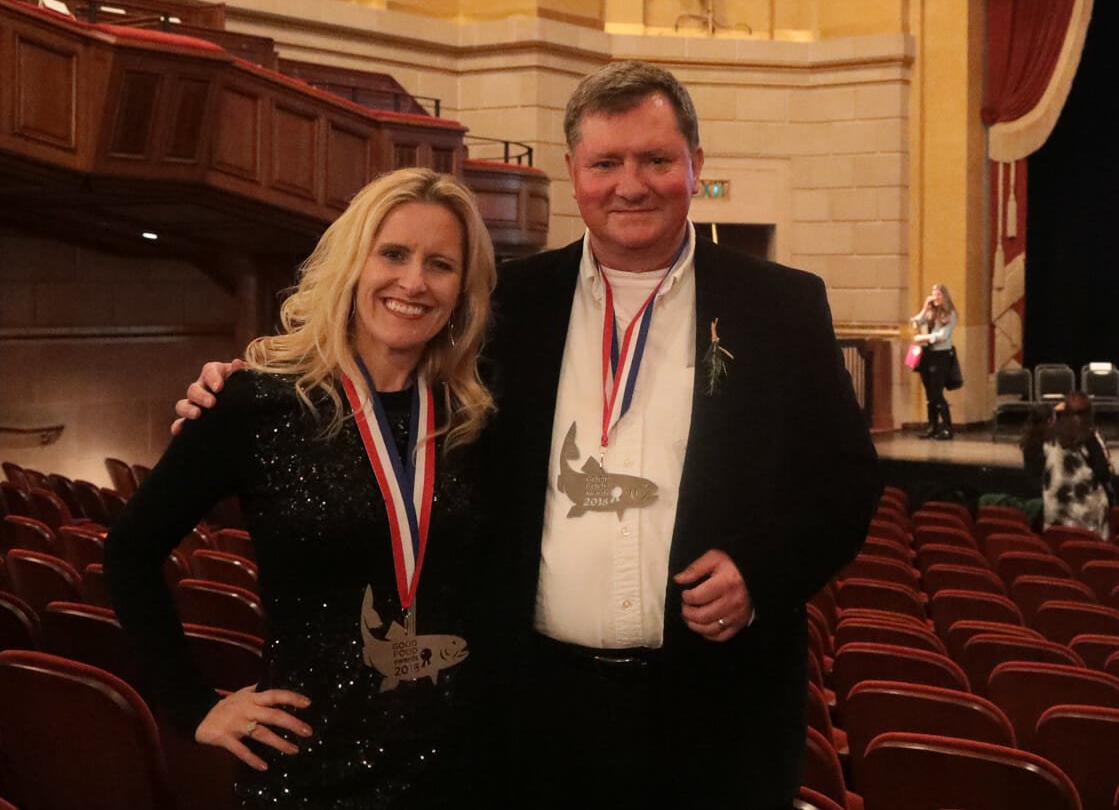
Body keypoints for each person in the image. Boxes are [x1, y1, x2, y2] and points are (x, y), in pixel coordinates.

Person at [177, 61, 879, 808]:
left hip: (717, 707)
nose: (629, 184)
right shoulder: (506, 304)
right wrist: (249, 384)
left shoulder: (781, 305)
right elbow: (381, 373)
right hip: (534, 705)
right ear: (573, 173)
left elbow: (847, 482)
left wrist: (762, 571)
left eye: (655, 160)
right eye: (606, 162)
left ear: (695, 168)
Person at [109, 168, 498, 808]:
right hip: (309, 764)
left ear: (463, 290)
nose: (414, 282)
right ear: (352, 264)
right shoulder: (253, 402)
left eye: (441, 265)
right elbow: (129, 554)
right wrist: (192, 706)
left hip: (462, 764)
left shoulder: (478, 413)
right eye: (393, 254)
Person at [1023, 392, 1115, 537]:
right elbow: (1103, 473)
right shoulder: (1089, 437)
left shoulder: (1049, 436)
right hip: (1086, 510)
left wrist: (1058, 412)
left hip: (1056, 507)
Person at [910, 282, 959, 439]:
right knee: (929, 393)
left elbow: (942, 336)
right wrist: (925, 307)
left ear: (944, 296)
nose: (935, 297)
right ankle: (932, 426)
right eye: (933, 294)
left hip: (941, 355)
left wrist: (922, 337)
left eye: (938, 294)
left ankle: (947, 427)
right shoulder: (930, 313)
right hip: (927, 356)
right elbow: (915, 322)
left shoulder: (950, 313)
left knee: (937, 393)